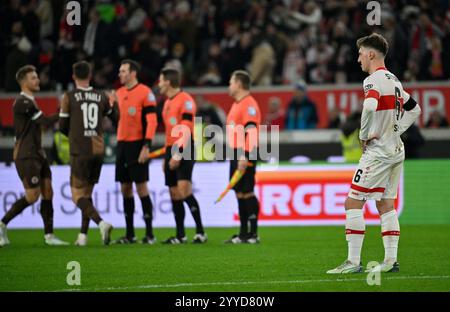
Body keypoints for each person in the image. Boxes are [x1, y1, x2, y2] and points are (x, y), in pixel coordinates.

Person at [327, 33, 421, 274]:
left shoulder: (373, 80)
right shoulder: (394, 80)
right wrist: (397, 128)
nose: (358, 59)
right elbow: (415, 109)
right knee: (385, 204)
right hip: (396, 150)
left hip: (378, 153)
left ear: (370, 54)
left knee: (352, 201)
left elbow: (369, 105)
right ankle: (390, 262)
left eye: (360, 54)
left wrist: (363, 135)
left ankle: (353, 262)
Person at [0, 65, 68, 246]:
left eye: (37, 77)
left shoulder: (31, 101)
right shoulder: (23, 103)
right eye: (33, 78)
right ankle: (2, 224)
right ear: (23, 82)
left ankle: (49, 236)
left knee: (48, 192)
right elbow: (44, 122)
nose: (37, 80)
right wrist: (65, 111)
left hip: (38, 154)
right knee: (32, 196)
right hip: (26, 155)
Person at [59, 61, 116, 246]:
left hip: (80, 150)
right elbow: (113, 116)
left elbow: (62, 127)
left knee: (77, 196)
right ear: (90, 76)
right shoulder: (101, 96)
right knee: (87, 195)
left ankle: (101, 223)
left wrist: (76, 134)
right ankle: (83, 236)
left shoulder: (69, 96)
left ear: (74, 76)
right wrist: (113, 104)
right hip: (98, 150)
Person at [158, 68, 207, 244]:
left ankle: (200, 232)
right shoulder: (166, 103)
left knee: (184, 190)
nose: (159, 84)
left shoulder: (186, 100)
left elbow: (186, 128)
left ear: (168, 82)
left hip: (184, 147)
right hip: (171, 148)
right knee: (173, 193)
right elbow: (169, 132)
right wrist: (167, 153)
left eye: (161, 80)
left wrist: (177, 154)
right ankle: (180, 235)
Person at [112, 59, 158, 244]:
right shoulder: (119, 93)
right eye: (120, 71)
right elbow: (116, 118)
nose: (120, 74)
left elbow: (152, 121)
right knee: (125, 188)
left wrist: (146, 146)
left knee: (141, 187)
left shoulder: (145, 93)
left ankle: (149, 234)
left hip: (138, 145)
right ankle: (130, 234)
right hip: (122, 144)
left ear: (133, 73)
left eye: (123, 71)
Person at [225, 70, 261, 244]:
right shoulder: (237, 104)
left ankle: (253, 233)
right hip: (236, 153)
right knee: (239, 193)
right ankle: (243, 233)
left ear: (239, 84)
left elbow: (251, 131)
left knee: (247, 192)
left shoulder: (249, 104)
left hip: (245, 154)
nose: (229, 86)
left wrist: (245, 155)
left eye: (231, 82)